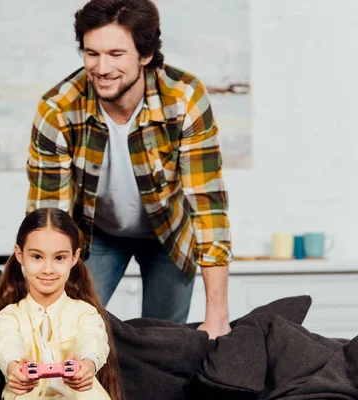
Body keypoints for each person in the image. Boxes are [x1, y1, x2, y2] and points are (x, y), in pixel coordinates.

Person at [26, 0, 232, 338]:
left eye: (116, 54)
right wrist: (38, 319)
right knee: (70, 332)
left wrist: (218, 316)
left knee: (164, 343)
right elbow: (48, 220)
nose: (102, 68)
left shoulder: (184, 99)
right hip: (97, 233)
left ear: (145, 54)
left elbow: (209, 207)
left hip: (168, 233)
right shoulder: (58, 109)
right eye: (92, 54)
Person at [0, 207, 122, 400]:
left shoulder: (86, 313)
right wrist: (13, 367)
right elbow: (7, 343)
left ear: (74, 258)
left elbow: (93, 338)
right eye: (37, 257)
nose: (48, 269)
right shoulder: (9, 316)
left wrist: (88, 365)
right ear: (20, 255)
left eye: (59, 258)